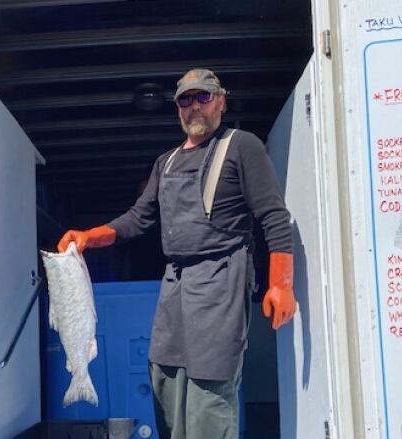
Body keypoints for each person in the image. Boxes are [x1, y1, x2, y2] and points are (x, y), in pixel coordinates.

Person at [57, 68, 296, 439]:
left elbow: (274, 217)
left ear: (221, 101)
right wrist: (88, 236)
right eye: (185, 99)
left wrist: (280, 283)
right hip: (174, 285)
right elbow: (138, 219)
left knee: (208, 391)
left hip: (221, 280)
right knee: (163, 379)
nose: (194, 106)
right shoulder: (165, 162)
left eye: (203, 97)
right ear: (177, 109)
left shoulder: (241, 145)